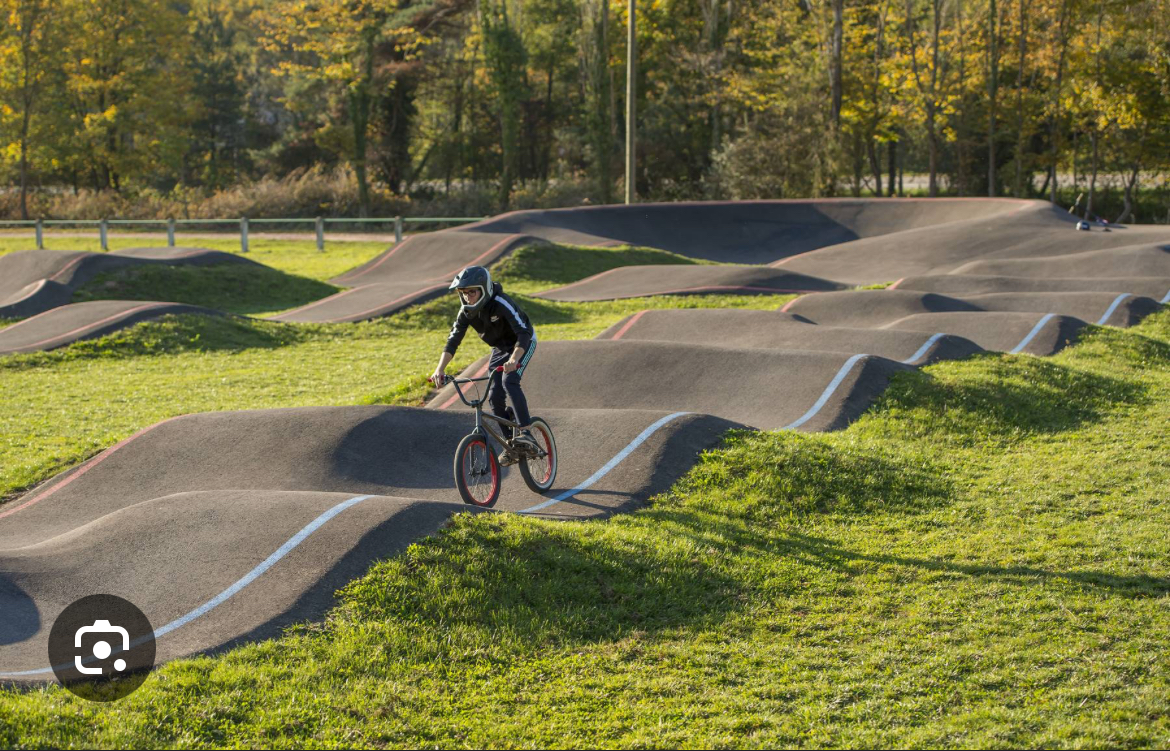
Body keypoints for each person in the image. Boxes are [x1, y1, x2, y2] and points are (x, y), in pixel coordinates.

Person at [429, 266, 538, 464]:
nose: (468, 297)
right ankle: (511, 444)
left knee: (510, 380)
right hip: (499, 349)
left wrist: (514, 359)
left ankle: (526, 432)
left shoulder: (501, 302)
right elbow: (453, 340)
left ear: (484, 289)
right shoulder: (466, 312)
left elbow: (524, 333)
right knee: (494, 396)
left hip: (522, 343)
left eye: (472, 291)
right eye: (463, 293)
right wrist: (440, 369)